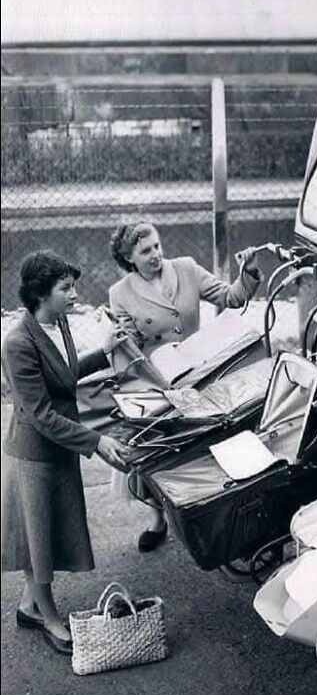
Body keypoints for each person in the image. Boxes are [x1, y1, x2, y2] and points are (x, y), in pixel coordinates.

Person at [1, 252, 132, 655]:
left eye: (73, 286)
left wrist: (106, 350)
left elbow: (66, 374)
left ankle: (29, 606)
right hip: (35, 453)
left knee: (44, 533)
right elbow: (39, 414)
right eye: (66, 288)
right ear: (41, 293)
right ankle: (49, 617)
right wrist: (98, 441)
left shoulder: (59, 323)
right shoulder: (17, 343)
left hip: (62, 445)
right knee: (37, 539)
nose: (75, 294)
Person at [107, 221, 262, 551]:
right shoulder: (119, 294)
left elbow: (229, 297)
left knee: (214, 438)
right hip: (158, 378)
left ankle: (219, 509)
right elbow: (130, 346)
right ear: (128, 257)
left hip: (201, 369)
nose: (156, 255)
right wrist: (118, 344)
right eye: (145, 251)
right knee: (156, 449)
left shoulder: (186, 268)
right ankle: (158, 519)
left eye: (157, 246)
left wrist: (247, 273)